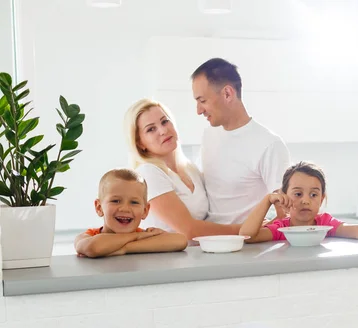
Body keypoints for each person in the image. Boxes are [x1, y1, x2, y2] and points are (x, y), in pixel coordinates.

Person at [191, 58, 291, 224]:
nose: (199, 110)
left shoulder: (269, 145)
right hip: (208, 242)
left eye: (203, 101)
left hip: (248, 245)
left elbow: (285, 213)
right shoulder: (208, 135)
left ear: (228, 94)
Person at [124, 98, 241, 240]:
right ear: (140, 143)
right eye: (151, 129)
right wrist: (245, 229)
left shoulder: (191, 170)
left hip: (198, 256)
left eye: (164, 121)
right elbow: (190, 230)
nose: (163, 130)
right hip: (166, 260)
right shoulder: (148, 173)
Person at [240, 161, 358, 244]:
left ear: (322, 199)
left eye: (313, 195)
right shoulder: (281, 228)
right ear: (284, 196)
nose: (305, 200)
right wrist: (267, 201)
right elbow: (247, 236)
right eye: (297, 194)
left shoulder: (325, 224)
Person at [74, 169, 188, 258]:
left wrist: (124, 249)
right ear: (99, 208)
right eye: (115, 201)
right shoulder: (88, 236)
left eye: (134, 202)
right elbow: (94, 247)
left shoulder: (144, 235)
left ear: (145, 211)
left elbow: (181, 240)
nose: (125, 208)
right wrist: (137, 236)